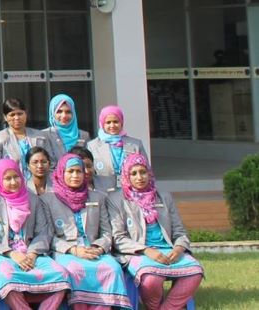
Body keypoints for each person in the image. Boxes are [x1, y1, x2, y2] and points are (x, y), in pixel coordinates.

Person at [111, 153, 202, 310]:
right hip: (137, 253)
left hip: (168, 250)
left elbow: (180, 231)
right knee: (152, 279)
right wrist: (147, 250)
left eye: (143, 172)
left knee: (195, 273)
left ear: (149, 173)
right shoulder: (116, 200)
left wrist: (179, 248)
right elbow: (118, 238)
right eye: (134, 173)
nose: (139, 177)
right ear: (126, 176)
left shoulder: (164, 197)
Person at [0, 158, 71, 310]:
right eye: (7, 178)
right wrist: (12, 254)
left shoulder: (33, 199)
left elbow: (43, 232)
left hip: (32, 253)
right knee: (7, 278)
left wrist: (32, 254)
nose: (13, 182)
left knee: (62, 275)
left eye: (16, 176)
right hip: (2, 254)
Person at [44, 153, 133, 310]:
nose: (75, 175)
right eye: (70, 171)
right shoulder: (48, 200)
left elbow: (106, 232)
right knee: (74, 270)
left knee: (112, 268)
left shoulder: (98, 197)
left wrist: (99, 247)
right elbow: (48, 236)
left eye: (79, 171)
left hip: (94, 250)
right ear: (61, 173)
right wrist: (74, 250)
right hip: (67, 252)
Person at [86, 106, 145, 193]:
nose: (112, 125)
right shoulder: (92, 146)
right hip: (103, 192)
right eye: (108, 122)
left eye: (115, 122)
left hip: (132, 192)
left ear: (121, 122)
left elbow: (146, 169)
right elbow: (89, 172)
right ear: (102, 124)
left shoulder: (136, 144)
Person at [0, 99, 60, 167]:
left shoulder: (41, 136)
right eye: (12, 115)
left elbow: (51, 164)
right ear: (5, 117)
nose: (17, 118)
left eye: (20, 114)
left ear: (26, 114)